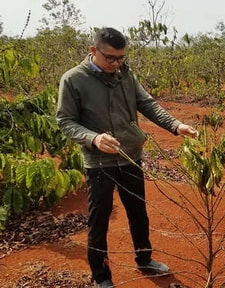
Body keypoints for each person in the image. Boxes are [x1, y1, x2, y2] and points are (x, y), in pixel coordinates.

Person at [56, 27, 197, 288]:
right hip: (99, 163)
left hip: (130, 157)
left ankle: (144, 259)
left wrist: (175, 125)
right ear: (93, 51)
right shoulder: (73, 80)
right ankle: (102, 276)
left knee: (138, 212)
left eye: (120, 57)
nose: (116, 63)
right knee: (99, 219)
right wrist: (94, 138)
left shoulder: (125, 75)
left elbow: (147, 104)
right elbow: (65, 121)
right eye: (110, 58)